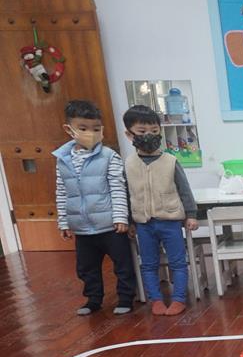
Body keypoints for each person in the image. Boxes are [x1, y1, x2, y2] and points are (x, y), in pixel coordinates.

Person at [53, 100, 134, 316]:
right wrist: (64, 221)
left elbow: (118, 188)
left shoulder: (109, 156)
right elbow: (62, 192)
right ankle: (93, 299)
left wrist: (121, 217)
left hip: (110, 225)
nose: (91, 133)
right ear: (69, 129)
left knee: (123, 264)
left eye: (96, 129)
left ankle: (126, 298)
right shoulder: (62, 160)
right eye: (83, 128)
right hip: (82, 227)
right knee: (86, 268)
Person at [122, 105, 199, 316]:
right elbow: (126, 194)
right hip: (143, 224)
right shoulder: (128, 164)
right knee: (148, 264)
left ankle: (179, 299)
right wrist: (129, 221)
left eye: (154, 131)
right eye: (142, 131)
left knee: (178, 262)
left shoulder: (170, 161)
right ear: (129, 134)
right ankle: (156, 299)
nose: (149, 135)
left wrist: (191, 214)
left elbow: (184, 190)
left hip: (170, 221)